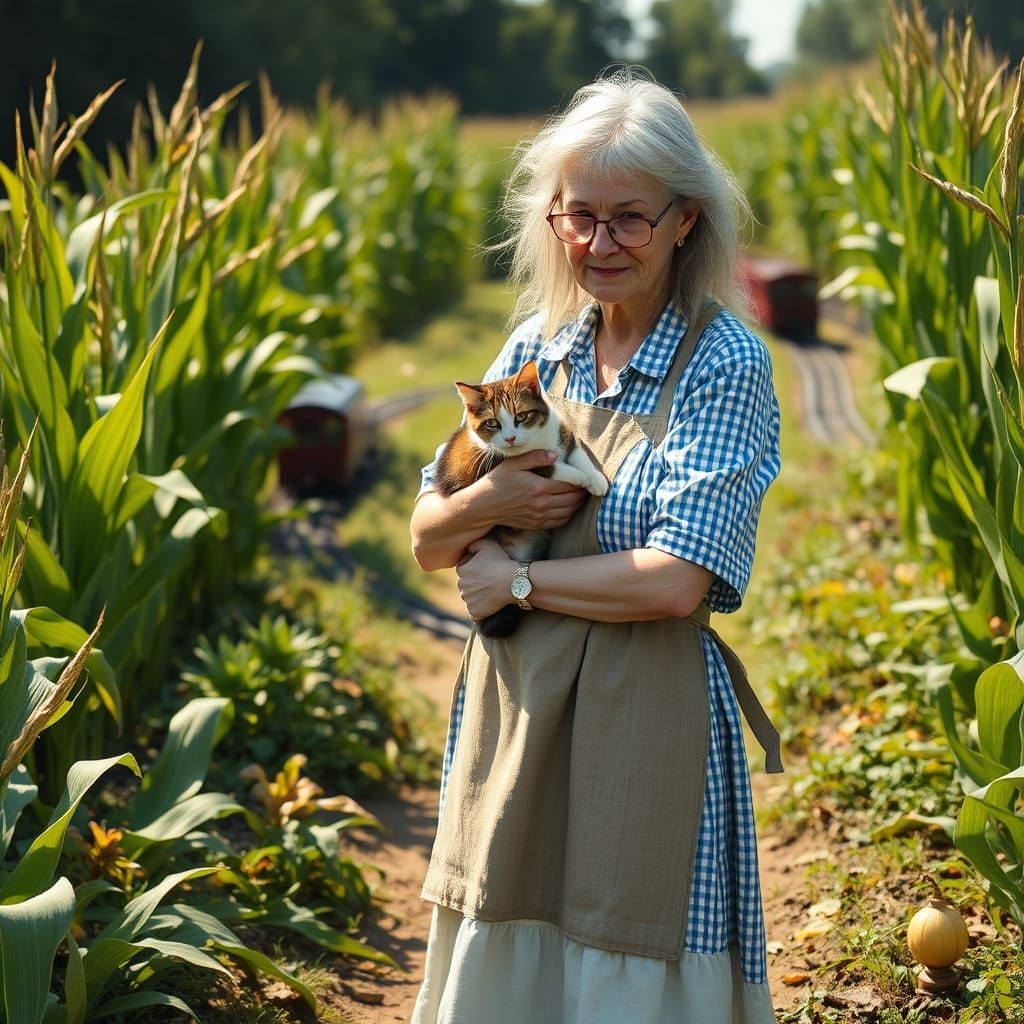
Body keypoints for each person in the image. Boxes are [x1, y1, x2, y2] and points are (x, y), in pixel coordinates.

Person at [409, 67, 782, 1024]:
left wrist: (518, 581)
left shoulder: (722, 361)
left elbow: (675, 582)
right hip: (518, 709)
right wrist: (489, 499)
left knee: (627, 939)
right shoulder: (542, 347)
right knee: (511, 943)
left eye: (629, 220)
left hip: (640, 715)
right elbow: (426, 533)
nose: (598, 243)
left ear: (685, 220)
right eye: (578, 216)